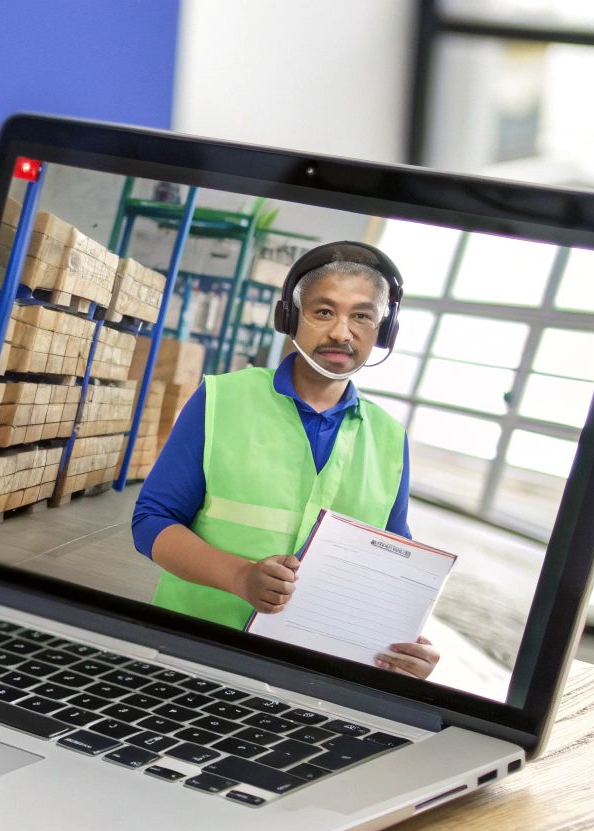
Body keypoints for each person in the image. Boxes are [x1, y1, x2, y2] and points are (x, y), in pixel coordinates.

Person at [131, 241, 440, 679]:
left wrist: (405, 647)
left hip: (313, 674)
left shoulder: (390, 438)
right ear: (291, 318)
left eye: (362, 316)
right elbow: (150, 522)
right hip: (194, 647)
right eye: (324, 311)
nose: (341, 333)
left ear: (382, 332)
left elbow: (390, 571)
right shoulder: (223, 398)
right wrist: (240, 577)